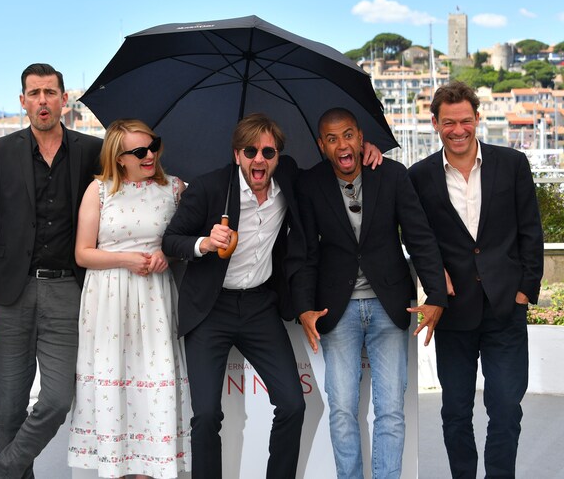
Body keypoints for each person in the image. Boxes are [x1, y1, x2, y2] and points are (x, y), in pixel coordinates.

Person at [161, 113, 383, 479]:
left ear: (279, 156)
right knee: (206, 414)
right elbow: (171, 241)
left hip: (259, 306)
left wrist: (364, 150)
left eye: (268, 151)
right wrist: (205, 242)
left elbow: (332, 167)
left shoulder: (289, 178)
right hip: (210, 309)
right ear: (237, 154)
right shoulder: (210, 188)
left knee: (294, 405)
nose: (259, 159)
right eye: (250, 151)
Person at [292, 107, 448, 479]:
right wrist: (303, 307)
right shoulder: (310, 184)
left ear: (361, 138)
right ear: (322, 145)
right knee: (342, 409)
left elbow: (419, 238)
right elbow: (304, 251)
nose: (342, 145)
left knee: (391, 410)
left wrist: (435, 296)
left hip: (389, 305)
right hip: (336, 309)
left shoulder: (392, 174)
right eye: (332, 139)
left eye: (348, 135)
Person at [0, 63, 102, 479]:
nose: (42, 100)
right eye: (34, 93)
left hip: (67, 291)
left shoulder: (91, 150)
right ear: (23, 101)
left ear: (64, 99)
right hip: (10, 294)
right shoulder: (1, 151)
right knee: (9, 407)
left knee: (58, 399)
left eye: (50, 92)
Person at [409, 81, 544, 479]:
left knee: (506, 409)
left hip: (506, 309)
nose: (458, 130)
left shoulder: (512, 164)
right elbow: (415, 236)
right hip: (453, 312)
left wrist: (525, 291)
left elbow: (530, 231)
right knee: (455, 412)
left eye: (465, 121)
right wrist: (435, 273)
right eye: (449, 122)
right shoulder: (419, 176)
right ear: (435, 123)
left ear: (477, 119)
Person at [68, 119, 192, 478]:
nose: (149, 155)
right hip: (108, 302)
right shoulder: (99, 191)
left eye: (153, 146)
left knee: (154, 387)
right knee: (114, 389)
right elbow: (82, 253)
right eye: (139, 151)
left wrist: (168, 255)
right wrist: (126, 259)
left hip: (155, 301)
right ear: (119, 158)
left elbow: (186, 240)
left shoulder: (175, 189)